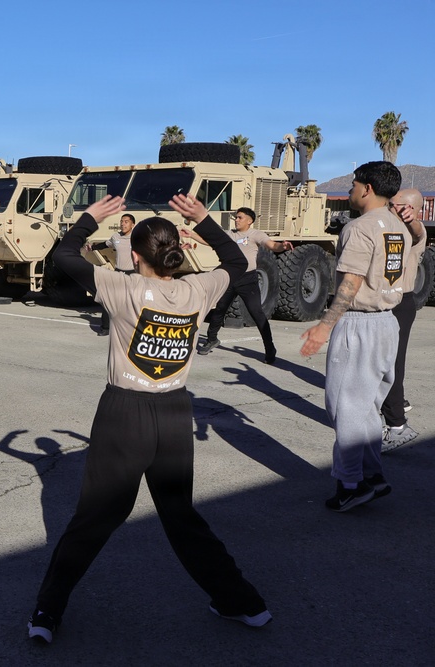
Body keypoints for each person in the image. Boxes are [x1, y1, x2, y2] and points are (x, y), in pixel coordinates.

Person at [27, 193, 271, 645]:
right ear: (178, 250)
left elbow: (62, 255)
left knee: (95, 517)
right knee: (180, 516)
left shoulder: (123, 288)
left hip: (126, 410)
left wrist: (87, 219)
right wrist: (205, 221)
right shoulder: (199, 289)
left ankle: (47, 611)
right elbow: (237, 263)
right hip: (175, 411)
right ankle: (244, 602)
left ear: (135, 255)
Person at [300, 161, 411, 512]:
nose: (349, 191)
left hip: (360, 323)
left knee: (345, 407)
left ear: (366, 188)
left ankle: (351, 484)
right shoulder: (399, 228)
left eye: (352, 185)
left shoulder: (360, 227)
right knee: (366, 408)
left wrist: (325, 325)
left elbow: (350, 283)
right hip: (387, 322)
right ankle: (372, 475)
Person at [184, 207, 293, 364]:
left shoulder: (255, 235)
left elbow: (271, 245)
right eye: (236, 217)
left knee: (257, 313)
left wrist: (282, 247)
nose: (236, 219)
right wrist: (192, 235)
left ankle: (270, 349)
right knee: (219, 308)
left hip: (248, 280)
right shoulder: (230, 234)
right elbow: (210, 242)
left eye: (240, 217)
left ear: (250, 221)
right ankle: (211, 339)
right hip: (229, 277)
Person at [379, 188, 425, 451]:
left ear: (411, 209)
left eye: (396, 206)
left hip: (400, 304)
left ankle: (398, 426)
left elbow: (419, 231)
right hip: (386, 302)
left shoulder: (414, 233)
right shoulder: (388, 229)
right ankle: (396, 409)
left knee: (392, 364)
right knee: (383, 364)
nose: (390, 208)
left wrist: (412, 220)